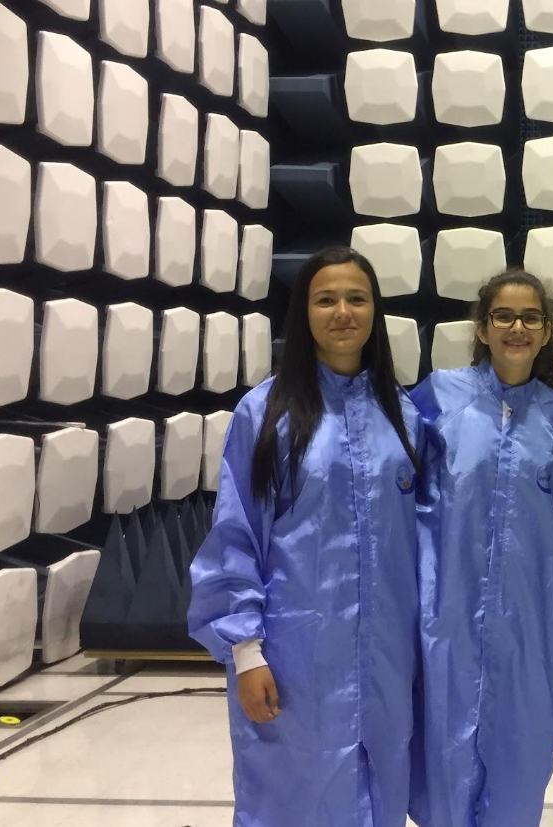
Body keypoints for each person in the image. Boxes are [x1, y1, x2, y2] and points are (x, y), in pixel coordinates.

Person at [188, 247, 422, 827]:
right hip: (296, 657)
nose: (343, 312)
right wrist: (246, 653)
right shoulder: (264, 413)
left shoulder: (403, 415)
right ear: (304, 313)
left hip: (388, 661)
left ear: (375, 312)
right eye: (326, 300)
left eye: (357, 299)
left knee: (380, 792)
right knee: (294, 799)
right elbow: (236, 534)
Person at [407, 268, 553, 827]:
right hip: (448, 608)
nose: (517, 328)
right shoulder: (438, 394)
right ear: (482, 328)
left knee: (521, 756)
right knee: (445, 752)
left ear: (548, 330)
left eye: (531, 317)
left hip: (531, 615)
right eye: (503, 316)